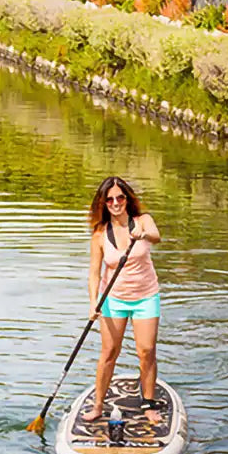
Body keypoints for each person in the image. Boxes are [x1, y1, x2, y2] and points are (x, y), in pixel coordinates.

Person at [83, 176, 162, 425]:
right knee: (109, 352)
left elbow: (156, 236)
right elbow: (94, 272)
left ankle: (148, 404)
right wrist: (93, 302)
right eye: (110, 199)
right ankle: (98, 405)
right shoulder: (99, 234)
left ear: (127, 199)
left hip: (145, 297)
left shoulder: (142, 221)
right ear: (103, 204)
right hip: (113, 299)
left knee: (146, 351)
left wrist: (143, 233)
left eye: (120, 197)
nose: (115, 203)